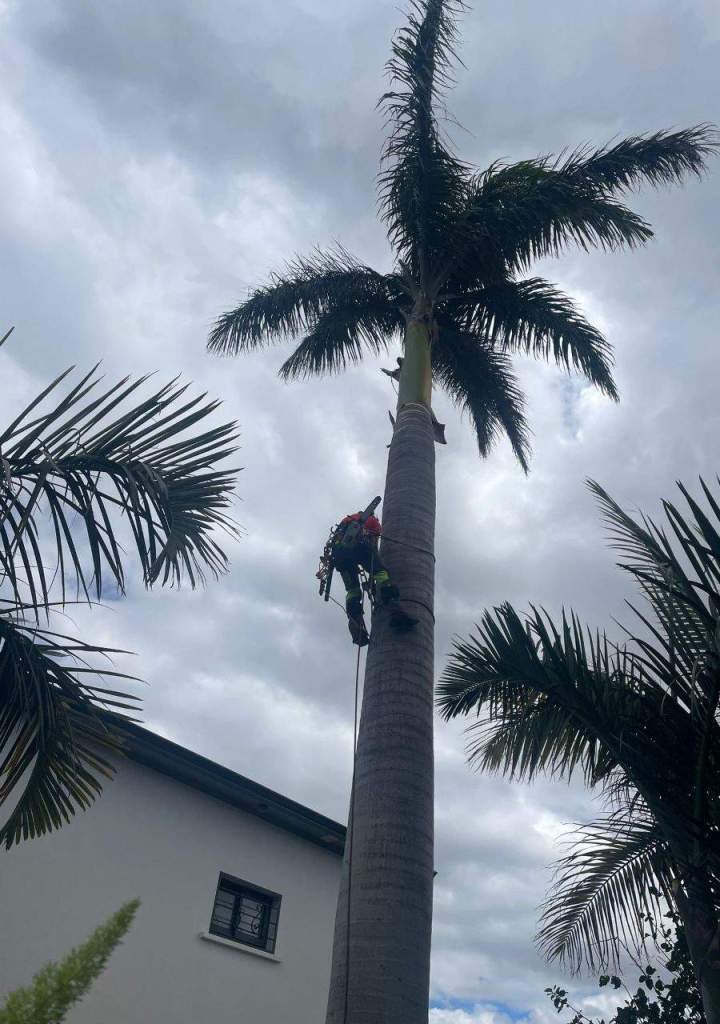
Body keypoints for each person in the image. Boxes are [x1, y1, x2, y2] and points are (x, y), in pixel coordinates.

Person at [332, 509, 417, 646]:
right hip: (359, 547)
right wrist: (374, 580)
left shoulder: (345, 522)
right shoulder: (372, 521)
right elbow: (373, 550)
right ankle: (395, 613)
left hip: (339, 555)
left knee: (353, 591)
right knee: (381, 573)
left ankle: (357, 630)